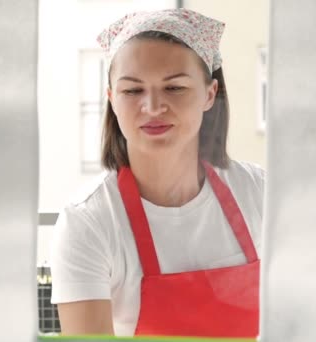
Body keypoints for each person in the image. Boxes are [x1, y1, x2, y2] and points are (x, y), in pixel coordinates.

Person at [49, 8, 265, 338]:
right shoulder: (88, 222)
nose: (152, 107)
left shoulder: (261, 194)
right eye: (132, 91)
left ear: (210, 94)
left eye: (174, 88)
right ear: (112, 99)